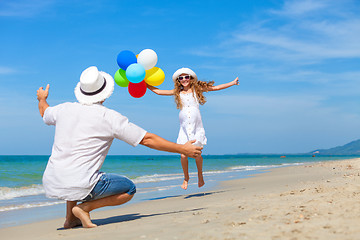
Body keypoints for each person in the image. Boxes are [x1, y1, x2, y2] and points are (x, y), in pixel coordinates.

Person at [36, 66, 202, 229]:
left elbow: (45, 112)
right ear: (105, 93)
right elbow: (147, 139)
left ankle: (70, 219)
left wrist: (42, 98)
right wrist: (182, 149)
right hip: (80, 184)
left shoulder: (64, 108)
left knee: (75, 168)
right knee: (129, 188)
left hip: (52, 181)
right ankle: (84, 209)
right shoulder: (109, 117)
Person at [147, 67, 239, 190]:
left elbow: (216, 88)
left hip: (196, 126)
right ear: (178, 80)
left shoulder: (197, 89)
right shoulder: (177, 92)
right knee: (183, 155)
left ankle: (200, 174)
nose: (184, 79)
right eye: (181, 78)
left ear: (191, 78)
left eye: (186, 77)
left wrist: (232, 83)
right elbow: (158, 92)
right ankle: (186, 177)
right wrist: (145, 84)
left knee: (197, 154)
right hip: (184, 126)